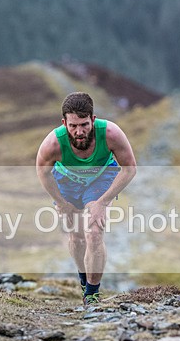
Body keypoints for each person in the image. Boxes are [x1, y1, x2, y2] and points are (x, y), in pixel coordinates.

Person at [36, 92, 137, 306]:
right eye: (73, 126)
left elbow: (129, 169)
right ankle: (84, 279)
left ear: (93, 119)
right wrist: (61, 203)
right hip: (66, 180)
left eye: (84, 124)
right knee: (76, 236)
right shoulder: (53, 143)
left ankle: (92, 294)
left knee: (94, 232)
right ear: (64, 123)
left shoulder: (111, 133)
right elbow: (42, 172)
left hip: (101, 177)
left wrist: (102, 202)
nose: (79, 132)